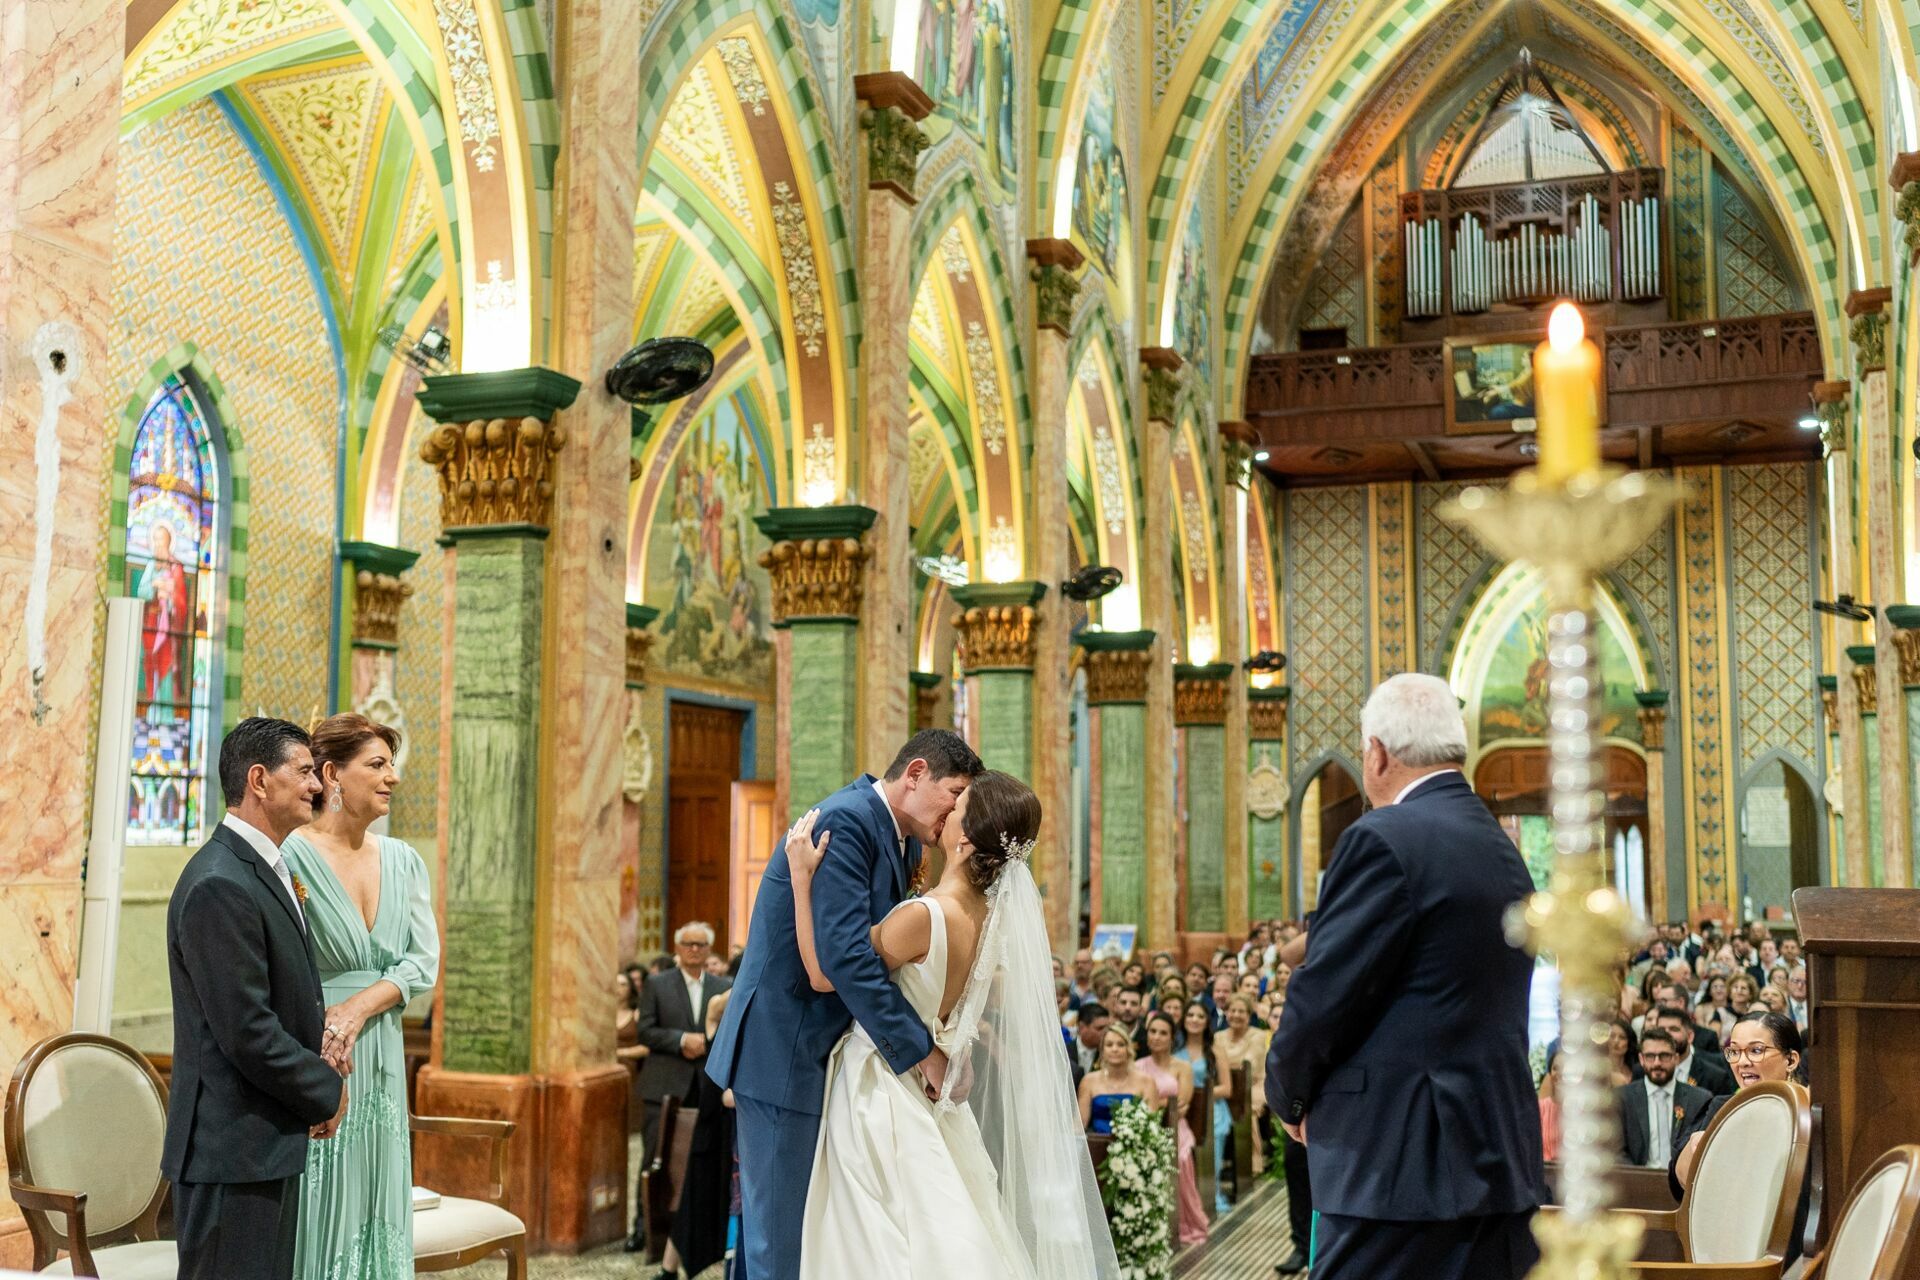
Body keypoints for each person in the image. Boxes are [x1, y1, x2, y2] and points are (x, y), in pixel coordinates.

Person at [788, 770, 1121, 1279]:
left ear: (964, 840)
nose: (945, 813)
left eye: (957, 810)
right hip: (936, 1085)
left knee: (878, 1238)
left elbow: (822, 972)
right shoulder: (992, 918)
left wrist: (800, 879)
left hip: (882, 1087)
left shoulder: (921, 916)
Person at [1266, 674, 1542, 1280]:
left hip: (1398, 1166)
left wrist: (1287, 1095)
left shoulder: (1382, 838)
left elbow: (1324, 995)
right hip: (1494, 1156)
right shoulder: (1500, 847)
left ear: (1377, 753)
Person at [706, 729, 982, 1280]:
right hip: (784, 1048)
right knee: (779, 1239)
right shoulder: (847, 820)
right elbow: (846, 960)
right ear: (916, 773)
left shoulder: (901, 838)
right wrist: (920, 1050)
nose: (956, 812)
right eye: (954, 794)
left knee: (797, 1233)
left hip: (824, 1051)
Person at [161, 718, 346, 1280]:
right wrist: (325, 1089)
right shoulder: (220, 881)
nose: (318, 786)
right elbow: (247, 1030)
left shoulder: (262, 867)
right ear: (260, 780)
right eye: (306, 772)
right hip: (230, 1149)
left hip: (260, 1141)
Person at [283, 714, 440, 1280]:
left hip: (381, 1053)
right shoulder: (290, 858)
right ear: (332, 775)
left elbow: (424, 962)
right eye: (377, 764)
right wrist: (331, 1021)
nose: (392, 777)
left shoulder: (403, 861)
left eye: (391, 764)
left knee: (379, 1197)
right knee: (321, 1200)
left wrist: (360, 1005)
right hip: (318, 1050)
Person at [1670, 1011, 1811, 1264]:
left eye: (1756, 1051)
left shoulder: (1809, 1115)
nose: (1742, 1062)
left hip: (1793, 1254)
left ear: (1791, 1059)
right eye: (1734, 1052)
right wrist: (1699, 1149)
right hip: (1724, 1249)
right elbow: (1679, 1182)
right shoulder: (1720, 1107)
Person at [626, 920, 732, 1253]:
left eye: (701, 945)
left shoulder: (724, 985)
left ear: (709, 950)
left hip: (708, 1083)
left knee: (703, 1159)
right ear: (678, 947)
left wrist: (708, 1041)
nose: (694, 950)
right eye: (688, 944)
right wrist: (682, 1040)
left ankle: (697, 1234)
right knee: (653, 1158)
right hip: (665, 1083)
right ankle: (643, 1228)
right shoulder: (657, 984)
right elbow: (645, 1031)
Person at [1137, 1011, 1207, 1245]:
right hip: (1146, 1126)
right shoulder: (1137, 1066)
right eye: (1153, 1032)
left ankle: (1183, 1221)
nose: (1157, 1037)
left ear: (1172, 1037)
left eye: (1163, 1033)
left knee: (1179, 1154)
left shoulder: (1182, 1067)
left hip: (1177, 1127)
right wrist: (1157, 1105)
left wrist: (1155, 1104)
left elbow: (1182, 1106)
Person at [1616, 1029, 1712, 1168]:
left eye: (1664, 1056)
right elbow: (1617, 1152)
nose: (1657, 1063)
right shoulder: (1622, 1098)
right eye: (1650, 1056)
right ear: (1641, 1059)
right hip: (1637, 1182)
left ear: (1676, 1058)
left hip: (1682, 1183)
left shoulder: (1699, 1100)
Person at [1080, 1025, 1160, 1133]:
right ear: (1102, 1050)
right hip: (1095, 1144)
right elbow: (1080, 1125)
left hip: (1134, 1146)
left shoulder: (1146, 1081)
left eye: (1120, 1044)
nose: (1115, 1049)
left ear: (1128, 1049)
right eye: (1109, 1045)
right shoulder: (1089, 1081)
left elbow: (1151, 1125)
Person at [1652, 1006, 1735, 1097]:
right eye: (1661, 1030)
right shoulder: (1643, 1072)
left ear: (1690, 1036)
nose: (1667, 1035)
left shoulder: (1715, 1076)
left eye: (1674, 1029)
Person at [1068, 1001, 1112, 1085]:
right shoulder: (1064, 1053)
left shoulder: (1110, 1054)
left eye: (1108, 1028)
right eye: (1100, 1028)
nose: (1106, 1032)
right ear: (1082, 1027)